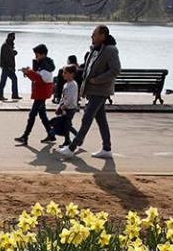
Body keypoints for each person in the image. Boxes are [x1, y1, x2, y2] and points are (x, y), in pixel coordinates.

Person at [57, 25, 120, 160]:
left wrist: (97, 80)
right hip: (92, 90)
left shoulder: (110, 50)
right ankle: (107, 148)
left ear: (103, 36)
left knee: (87, 118)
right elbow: (87, 69)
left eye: (94, 35)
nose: (92, 37)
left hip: (100, 90)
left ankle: (72, 147)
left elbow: (115, 70)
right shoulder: (95, 50)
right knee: (101, 120)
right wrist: (83, 88)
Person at [15, 44, 55, 144]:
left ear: (43, 55)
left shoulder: (46, 67)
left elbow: (40, 79)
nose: (35, 57)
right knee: (43, 115)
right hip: (41, 93)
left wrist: (29, 72)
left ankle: (25, 136)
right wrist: (28, 72)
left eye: (37, 55)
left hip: (41, 94)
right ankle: (51, 134)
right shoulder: (43, 64)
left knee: (32, 115)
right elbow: (36, 78)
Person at [43, 66, 80, 147]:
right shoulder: (66, 84)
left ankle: (66, 139)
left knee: (65, 124)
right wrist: (59, 106)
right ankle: (76, 138)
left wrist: (64, 106)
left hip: (70, 109)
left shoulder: (73, 85)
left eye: (65, 73)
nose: (63, 75)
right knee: (65, 124)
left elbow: (71, 98)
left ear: (72, 74)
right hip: (64, 107)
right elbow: (63, 97)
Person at [0, 32, 21, 101]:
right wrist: (10, 66)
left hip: (9, 66)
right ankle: (0, 96)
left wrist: (14, 52)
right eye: (13, 36)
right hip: (6, 67)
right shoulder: (5, 45)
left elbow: (10, 53)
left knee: (14, 79)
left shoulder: (9, 45)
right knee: (3, 81)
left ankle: (14, 95)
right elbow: (6, 57)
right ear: (9, 37)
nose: (14, 38)